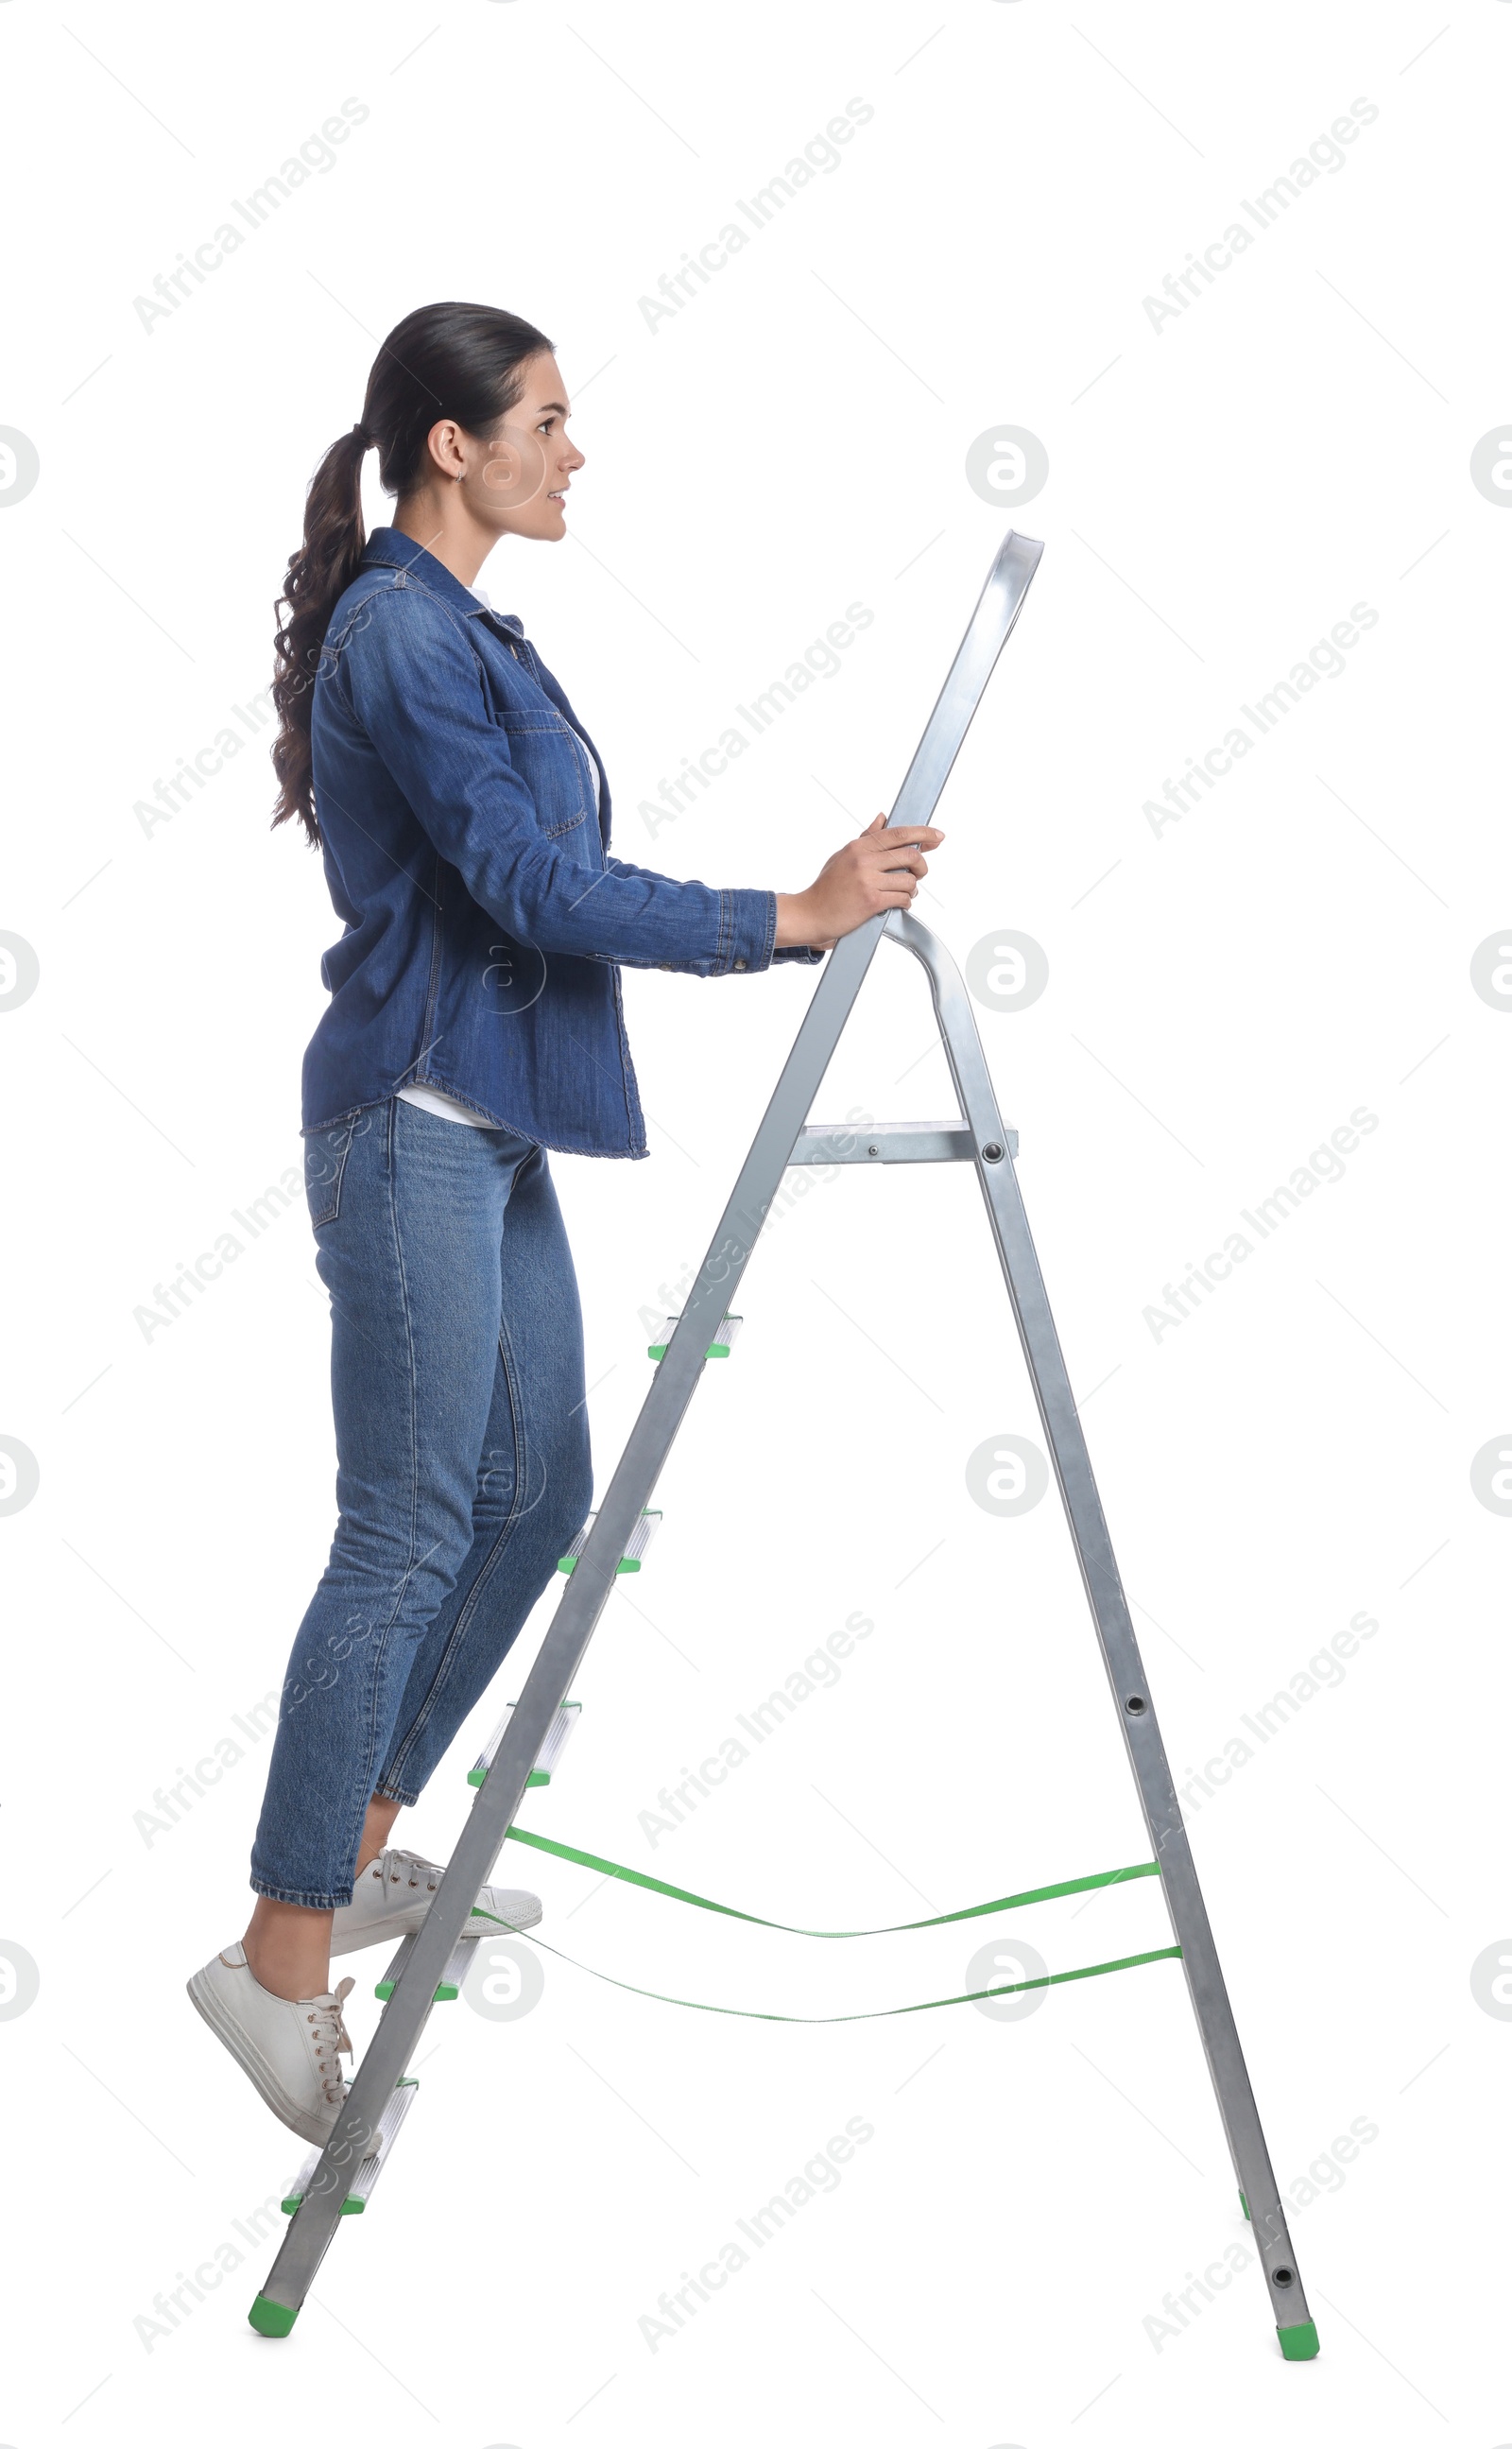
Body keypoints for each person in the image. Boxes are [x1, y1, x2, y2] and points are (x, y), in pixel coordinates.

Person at [186, 301, 942, 2144]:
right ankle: (278, 1961)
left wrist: (780, 912)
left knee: (528, 1504)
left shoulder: (462, 631)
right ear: (455, 444)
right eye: (545, 416)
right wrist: (779, 911)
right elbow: (524, 877)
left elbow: (531, 871)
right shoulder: (399, 630)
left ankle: (350, 1852)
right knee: (409, 1528)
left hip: (490, 1119)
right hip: (412, 1118)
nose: (572, 448)